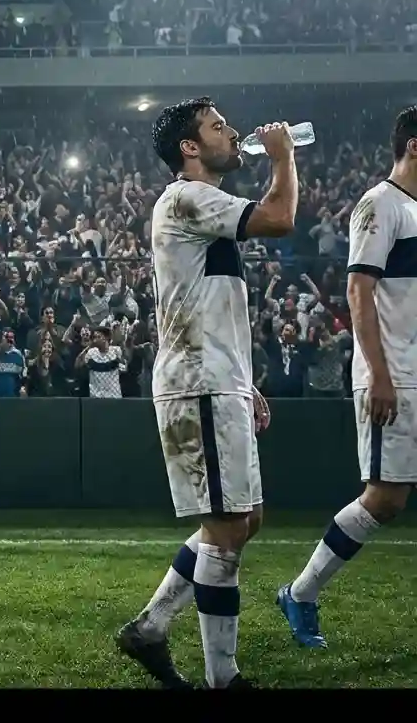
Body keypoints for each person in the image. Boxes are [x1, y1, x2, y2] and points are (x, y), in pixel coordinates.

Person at [115, 98, 298, 689]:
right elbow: (279, 218)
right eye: (219, 127)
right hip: (197, 384)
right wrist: (283, 158)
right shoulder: (184, 197)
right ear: (189, 148)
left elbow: (214, 307)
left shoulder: (201, 204)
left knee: (245, 521)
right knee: (225, 530)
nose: (234, 133)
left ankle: (150, 628)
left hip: (220, 381)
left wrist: (245, 383)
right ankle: (224, 680)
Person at [276, 105, 417, 649]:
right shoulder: (380, 205)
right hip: (394, 375)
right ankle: (302, 593)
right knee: (384, 499)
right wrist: (379, 374)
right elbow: (358, 292)